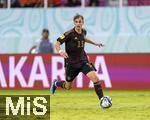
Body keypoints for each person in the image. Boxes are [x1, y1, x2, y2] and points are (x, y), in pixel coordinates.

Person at [51, 14, 110, 108]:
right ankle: (56, 83)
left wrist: (95, 43)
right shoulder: (68, 34)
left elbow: (83, 38)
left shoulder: (83, 32)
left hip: (83, 61)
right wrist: (60, 51)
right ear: (74, 23)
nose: (78, 23)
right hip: (71, 64)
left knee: (95, 78)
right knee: (68, 87)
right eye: (76, 22)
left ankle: (102, 100)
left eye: (80, 22)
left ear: (83, 23)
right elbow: (57, 43)